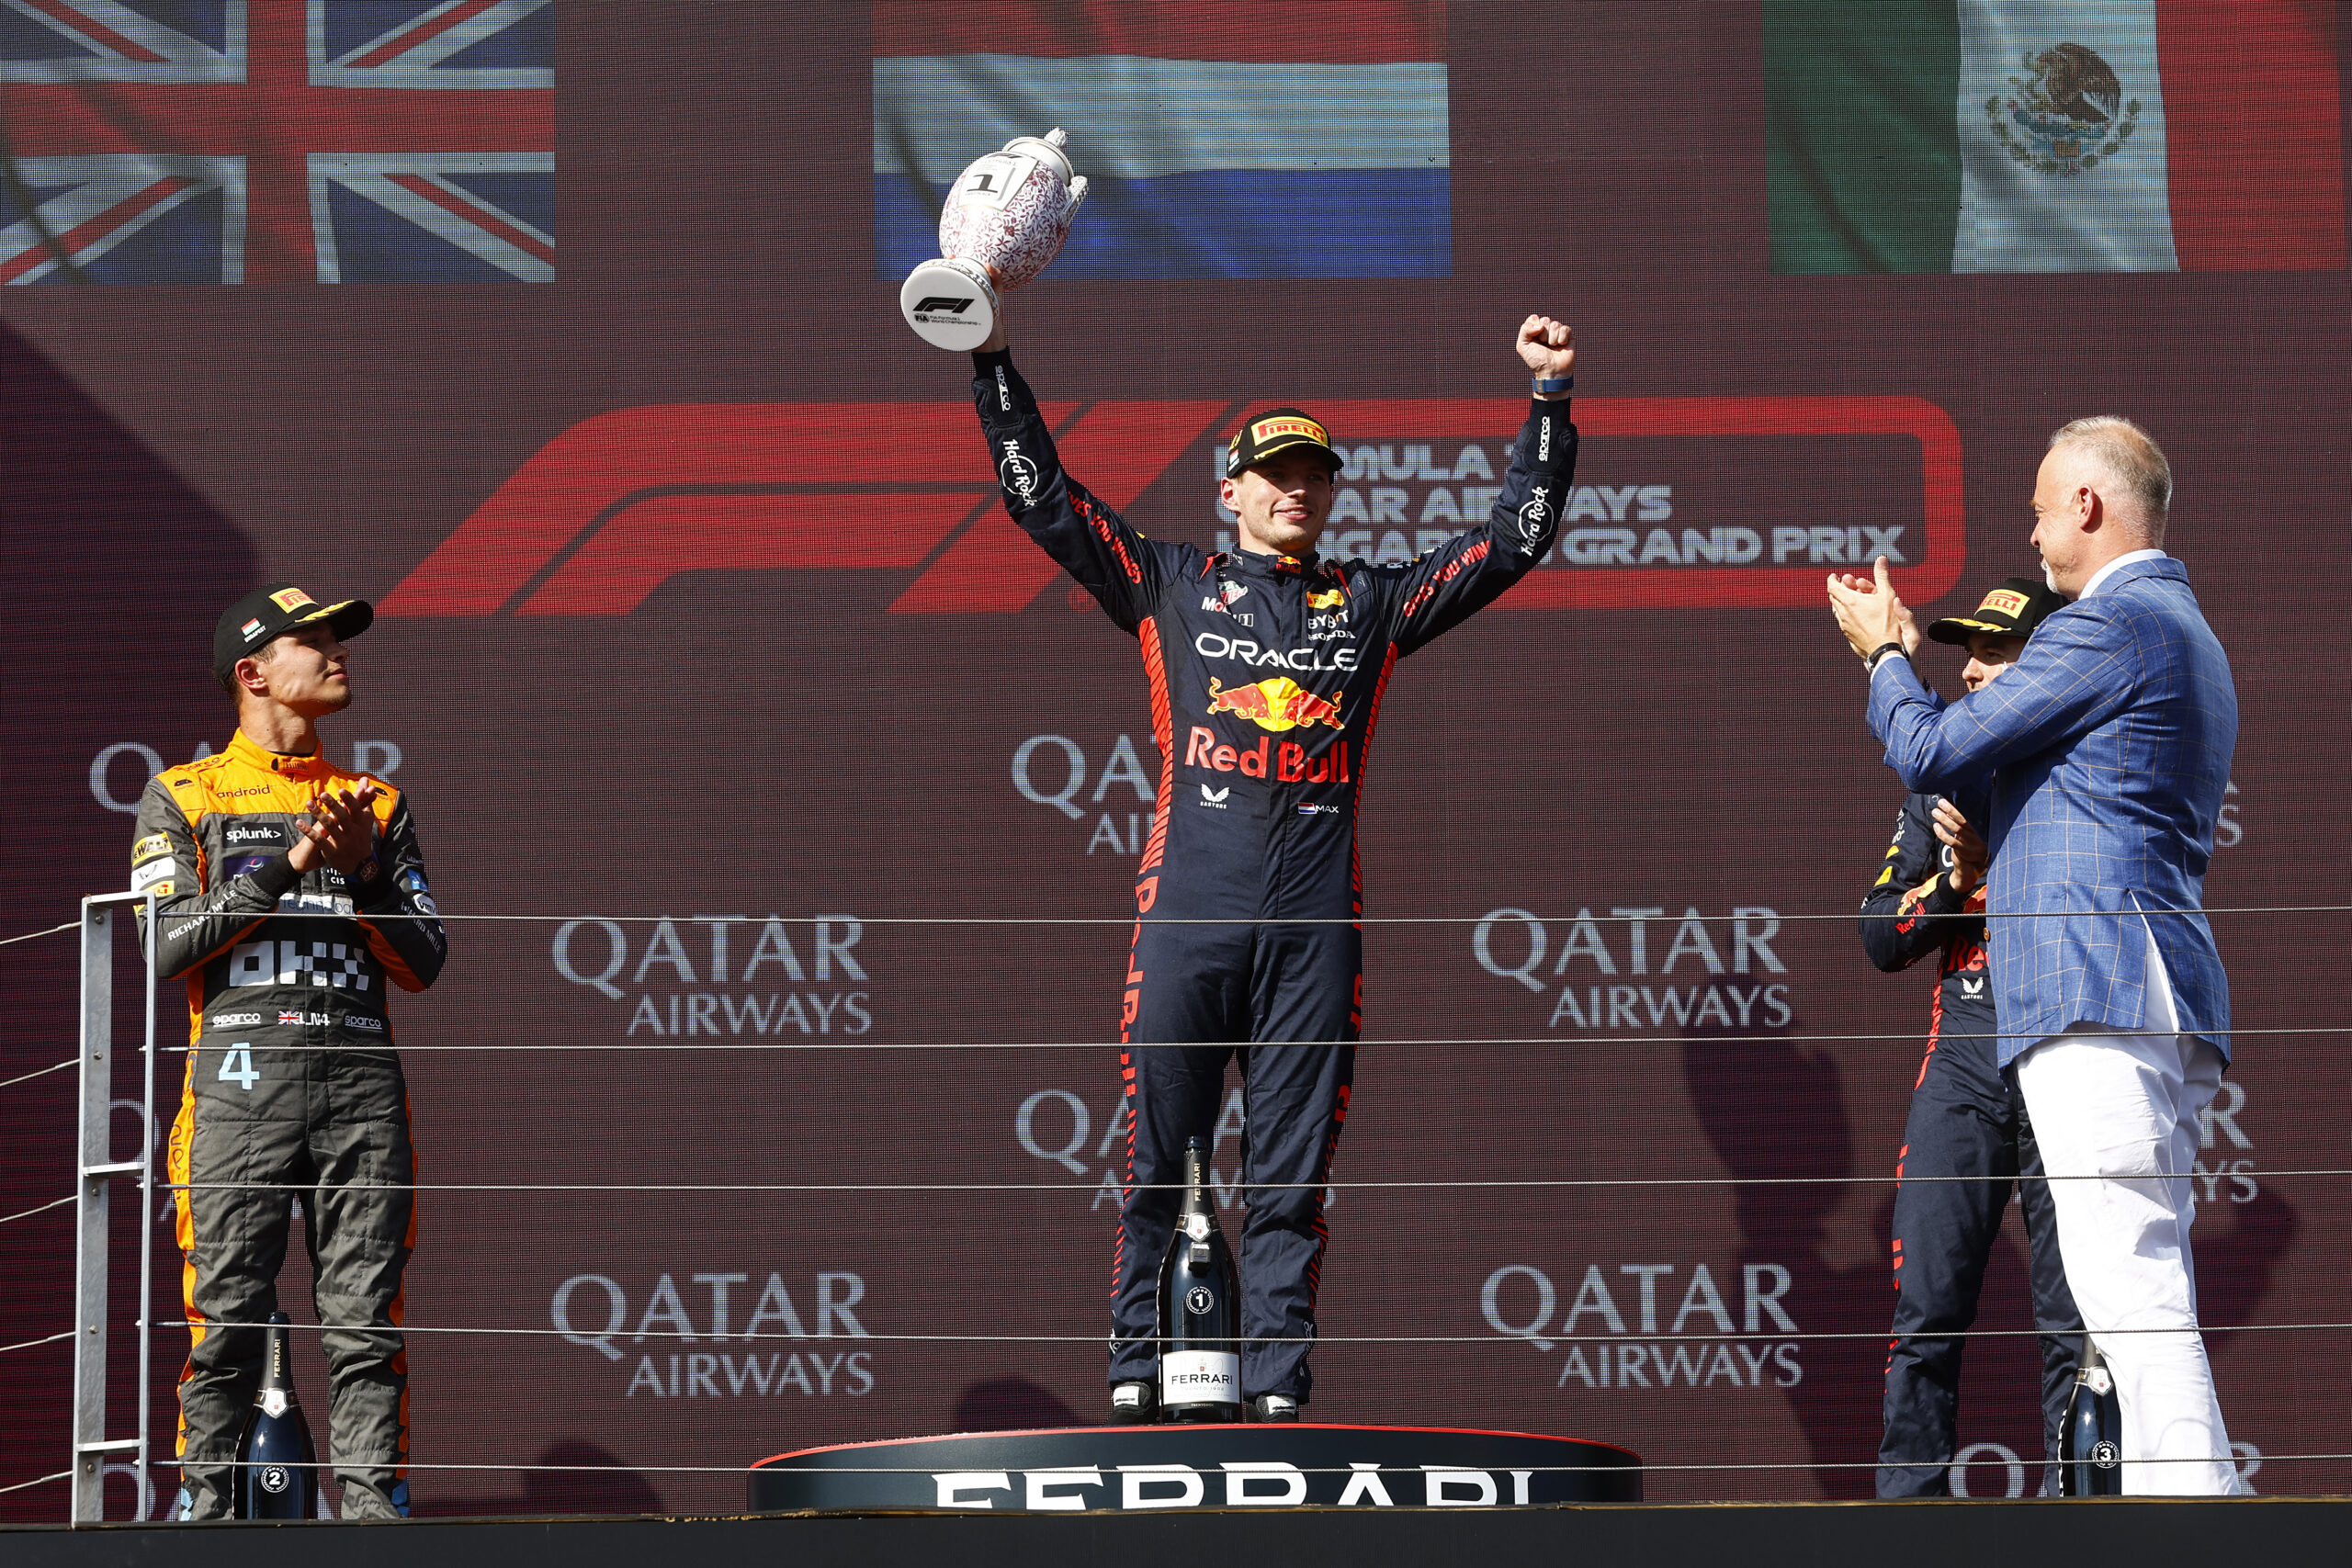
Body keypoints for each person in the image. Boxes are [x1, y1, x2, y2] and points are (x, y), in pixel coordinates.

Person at [967, 309, 1577, 1421]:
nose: (1297, 490)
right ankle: (1137, 1373)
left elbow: (1512, 544)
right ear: (1232, 492)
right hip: (1187, 917)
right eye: (1276, 474)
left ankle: (1278, 1389)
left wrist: (1548, 403)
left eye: (1314, 477)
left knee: (1290, 1179)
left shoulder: (1372, 605)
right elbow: (1041, 500)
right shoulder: (1168, 584)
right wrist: (990, 360)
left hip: (1313, 932)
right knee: (1163, 1160)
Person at [1826, 417, 2241, 1495]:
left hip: (2095, 986)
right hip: (2140, 982)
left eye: (2040, 509)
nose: (2033, 529)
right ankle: (2196, 1505)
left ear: (2087, 507)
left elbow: (1930, 746)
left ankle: (2201, 1513)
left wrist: (1884, 654)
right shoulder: (2179, 624)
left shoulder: (2110, 624)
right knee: (2132, 1283)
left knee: (2128, 1288)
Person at [136, 583, 447, 1518]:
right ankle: (204, 1510)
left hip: (360, 1084)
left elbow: (425, 962)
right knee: (226, 1316)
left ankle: (375, 1512)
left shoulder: (374, 801)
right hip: (238, 1087)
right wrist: (293, 865)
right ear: (254, 672)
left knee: (365, 1321)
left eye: (336, 639)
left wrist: (364, 875)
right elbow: (166, 944)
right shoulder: (184, 793)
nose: (337, 653)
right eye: (313, 642)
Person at [1861, 576, 2081, 1497]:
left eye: (1996, 652)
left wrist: (1998, 869)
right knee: (1926, 1312)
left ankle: (2084, 1520)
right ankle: (1906, 1528)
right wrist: (1955, 880)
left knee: (2075, 1325)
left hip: (2065, 1059)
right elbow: (1881, 935)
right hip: (1962, 1061)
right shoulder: (1944, 775)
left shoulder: (2083, 766)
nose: (1973, 671)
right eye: (1967, 654)